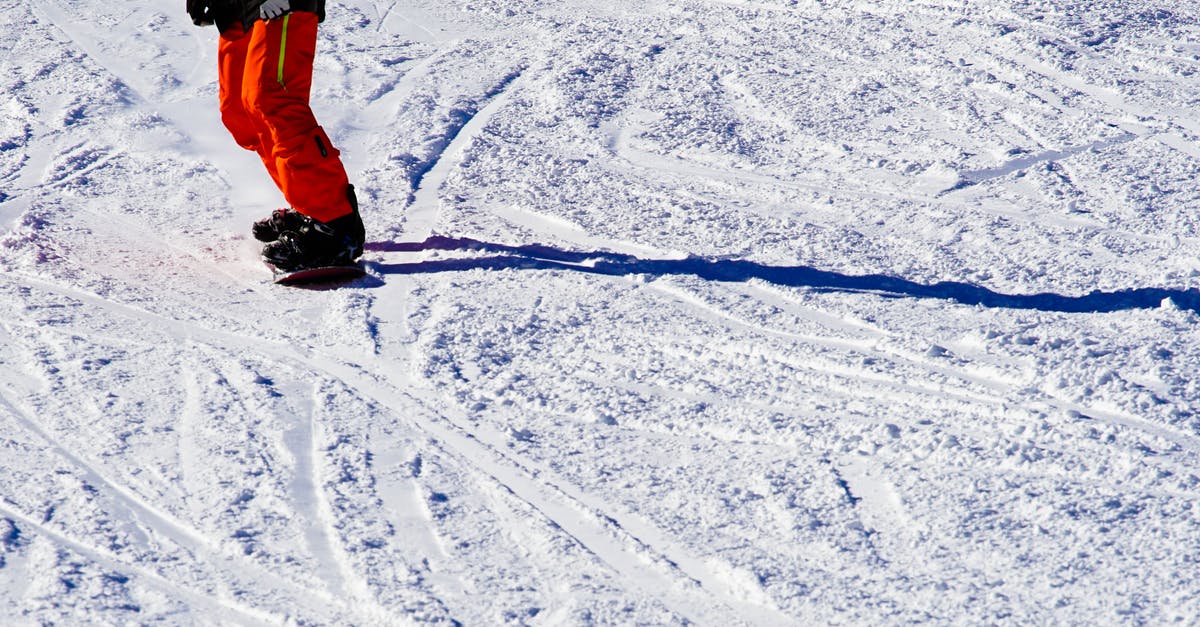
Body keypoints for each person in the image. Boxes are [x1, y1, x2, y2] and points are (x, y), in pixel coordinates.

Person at [187, 0, 365, 271]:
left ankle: (332, 221)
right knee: (240, 113)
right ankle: (308, 206)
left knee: (273, 99)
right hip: (237, 7)